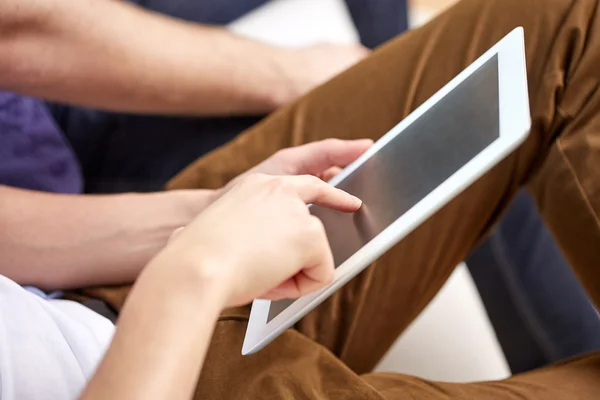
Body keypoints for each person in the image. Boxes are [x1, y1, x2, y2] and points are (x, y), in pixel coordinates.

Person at [1, 0, 600, 400]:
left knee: (569, 23)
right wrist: (195, 273)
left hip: (98, 292)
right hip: (154, 374)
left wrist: (204, 216)